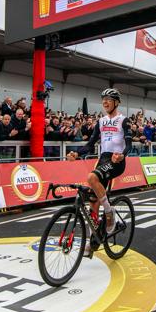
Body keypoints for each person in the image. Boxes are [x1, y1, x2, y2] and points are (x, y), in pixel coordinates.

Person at [66, 88, 132, 258]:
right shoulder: (101, 121)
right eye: (103, 99)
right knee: (93, 202)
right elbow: (90, 144)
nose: (105, 102)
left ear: (116, 102)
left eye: (108, 99)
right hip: (103, 159)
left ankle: (109, 212)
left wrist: (122, 155)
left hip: (117, 161)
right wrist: (77, 153)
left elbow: (129, 145)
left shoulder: (123, 120)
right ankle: (93, 240)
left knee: (91, 177)